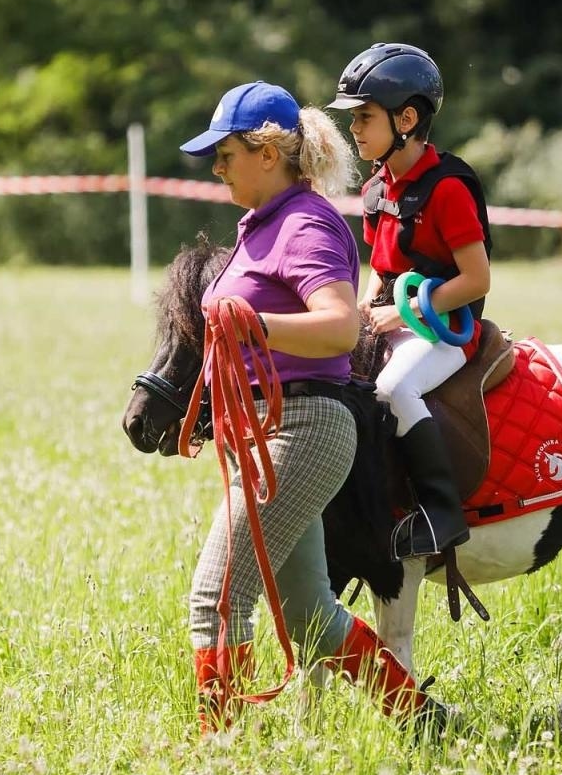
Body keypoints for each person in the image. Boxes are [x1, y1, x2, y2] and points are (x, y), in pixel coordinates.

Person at [177, 80, 445, 736]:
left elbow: (339, 328)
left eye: (226, 155)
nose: (217, 168)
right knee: (309, 617)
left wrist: (255, 325)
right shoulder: (263, 225)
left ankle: (220, 755)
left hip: (302, 428)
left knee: (215, 601)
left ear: (268, 153)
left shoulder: (305, 223)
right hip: (269, 430)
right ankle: (424, 720)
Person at [327, 43, 493, 560]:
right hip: (394, 316)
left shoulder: (447, 191)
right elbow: (379, 269)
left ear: (406, 118)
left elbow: (477, 278)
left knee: (395, 387)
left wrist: (404, 312)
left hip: (448, 329)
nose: (353, 127)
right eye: (352, 117)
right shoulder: (377, 189)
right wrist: (360, 313)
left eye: (364, 116)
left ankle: (443, 513)